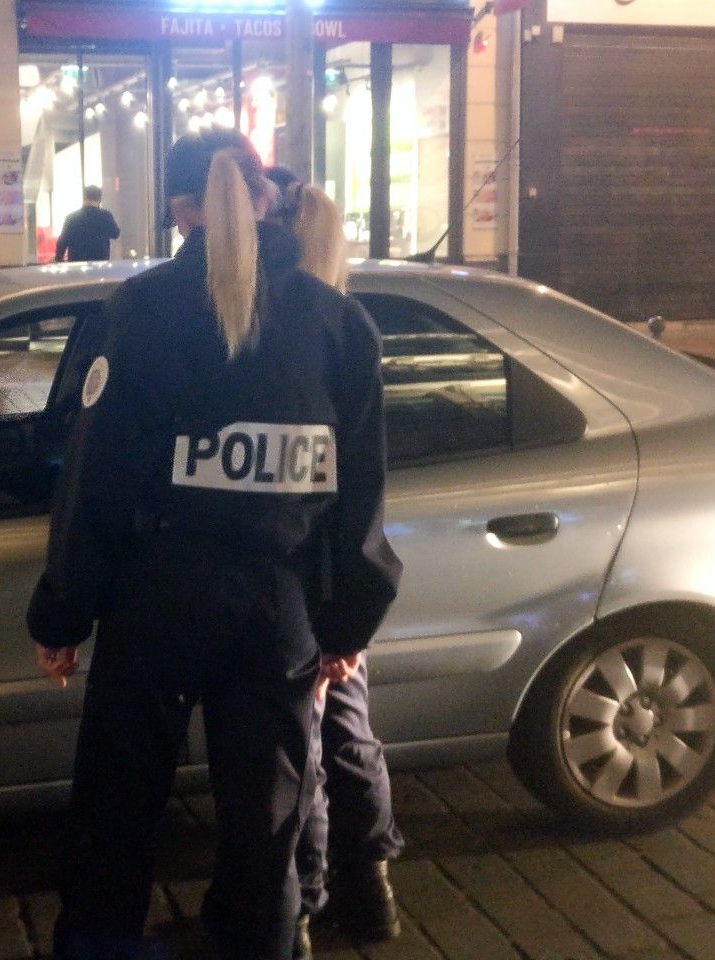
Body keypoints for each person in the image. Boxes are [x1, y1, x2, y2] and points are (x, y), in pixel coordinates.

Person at [28, 130, 402, 960]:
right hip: (279, 614)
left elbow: (96, 481)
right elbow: (361, 501)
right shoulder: (340, 323)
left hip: (154, 603)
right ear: (267, 198)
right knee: (267, 835)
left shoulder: (142, 311)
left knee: (117, 815)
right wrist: (347, 627)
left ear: (179, 211)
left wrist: (63, 613)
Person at [281, 183, 406, 944]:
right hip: (338, 577)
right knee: (345, 732)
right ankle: (370, 887)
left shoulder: (296, 333)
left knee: (300, 748)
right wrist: (353, 619)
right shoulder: (347, 327)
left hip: (299, 574)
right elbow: (364, 486)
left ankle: (305, 900)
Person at [56, 185, 122, 262]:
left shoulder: (71, 217)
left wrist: (58, 259)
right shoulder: (105, 215)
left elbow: (62, 242)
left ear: (84, 198)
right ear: (99, 199)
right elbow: (115, 234)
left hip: (76, 263)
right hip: (100, 262)